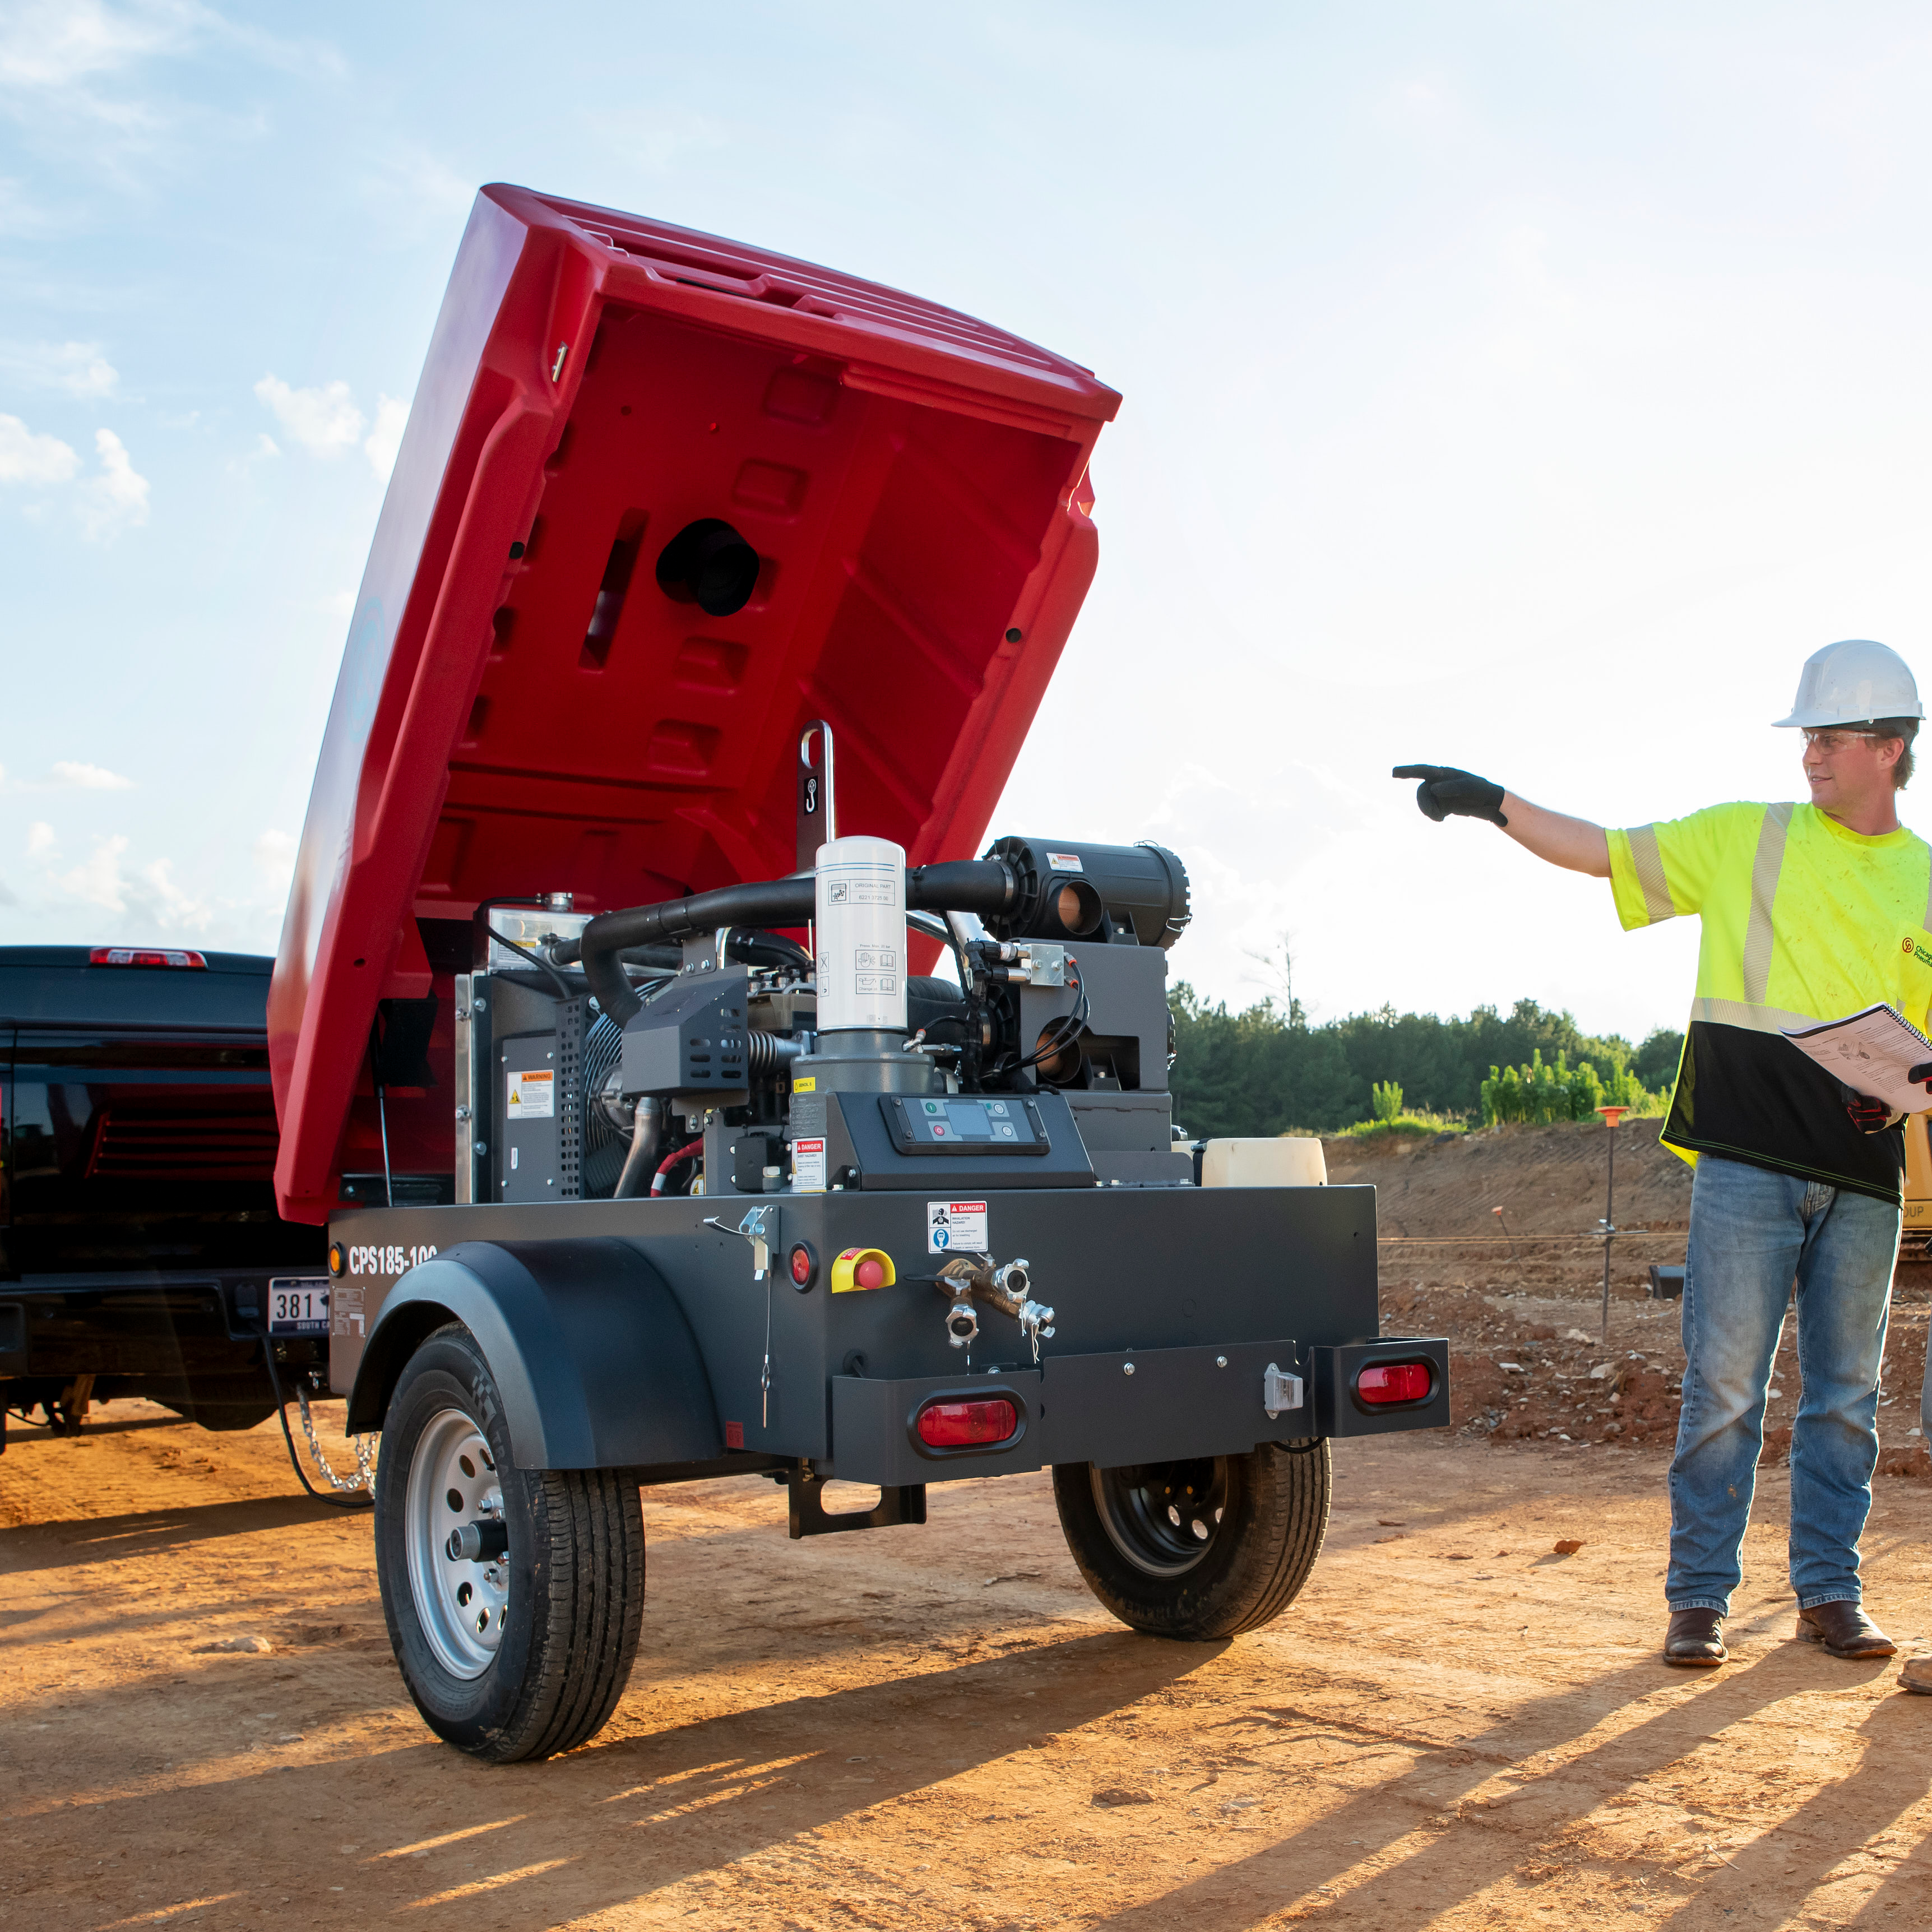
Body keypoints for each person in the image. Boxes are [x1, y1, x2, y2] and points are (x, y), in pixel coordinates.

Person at [1395, 638, 1929, 1677]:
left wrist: (1908, 1092)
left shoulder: (1926, 880)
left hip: (1865, 1175)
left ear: (1890, 747)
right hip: (1743, 1159)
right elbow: (1603, 849)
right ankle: (1698, 1600)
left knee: (1844, 1399)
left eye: (1827, 737)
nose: (1809, 755)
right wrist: (1493, 801)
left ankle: (1829, 1591)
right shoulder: (1746, 839)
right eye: (1806, 736)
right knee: (1724, 1389)